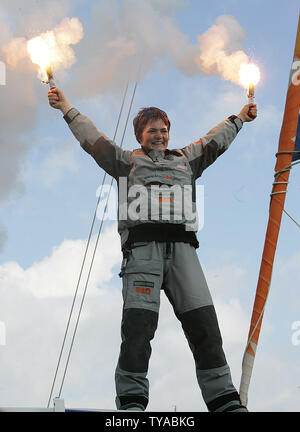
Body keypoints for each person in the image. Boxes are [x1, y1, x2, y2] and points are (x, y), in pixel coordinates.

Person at [48, 87, 257, 412]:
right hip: (143, 252)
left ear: (169, 133)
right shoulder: (126, 162)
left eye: (163, 130)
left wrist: (241, 117)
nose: (159, 136)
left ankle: (225, 401)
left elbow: (215, 139)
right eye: (152, 131)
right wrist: (65, 107)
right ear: (140, 136)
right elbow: (93, 139)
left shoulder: (186, 160)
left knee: (204, 326)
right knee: (138, 328)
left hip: (184, 252)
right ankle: (132, 402)